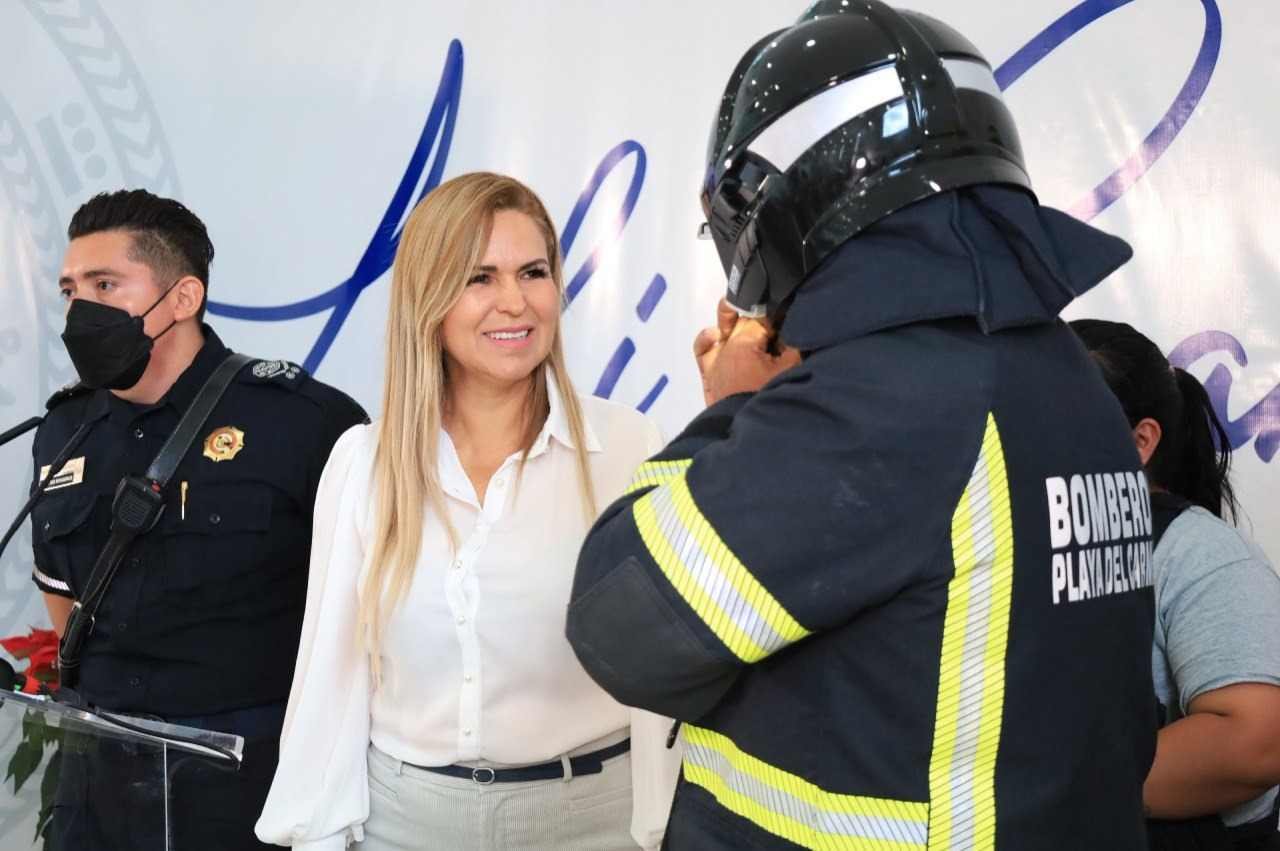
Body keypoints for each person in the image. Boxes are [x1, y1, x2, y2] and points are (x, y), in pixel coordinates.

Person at [567, 2, 1160, 848]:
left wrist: (738, 405)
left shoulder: (883, 403)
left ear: (769, 210)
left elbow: (618, 621)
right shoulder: (1062, 378)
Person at [256, 172, 677, 851]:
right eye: (479, 277)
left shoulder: (629, 446)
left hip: (593, 820)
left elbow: (666, 670)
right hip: (403, 823)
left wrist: (659, 826)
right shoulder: (365, 460)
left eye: (533, 271)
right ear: (429, 298)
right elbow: (331, 683)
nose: (515, 301)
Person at [30, 189, 368, 849]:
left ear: (181, 298)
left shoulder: (303, 422)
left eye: (105, 283)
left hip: (246, 798)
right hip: (94, 798)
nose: (79, 310)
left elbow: (360, 627)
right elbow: (63, 604)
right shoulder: (63, 430)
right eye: (70, 289)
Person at [1072, 319, 1280, 851]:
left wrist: (1048, 787)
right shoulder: (1004, 538)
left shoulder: (1198, 552)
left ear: (1141, 441)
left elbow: (1256, 741)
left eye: (1055, 416)